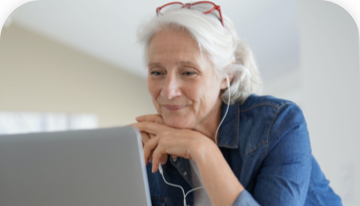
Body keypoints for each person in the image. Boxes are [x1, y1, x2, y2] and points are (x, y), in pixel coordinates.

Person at [131, 1, 342, 206]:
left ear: (226, 75)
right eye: (157, 72)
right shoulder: (149, 147)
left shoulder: (279, 124)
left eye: (188, 72)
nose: (168, 91)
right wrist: (116, 164)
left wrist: (202, 148)